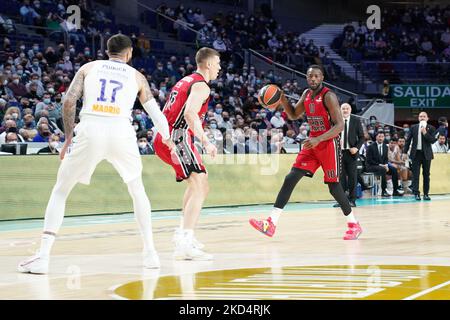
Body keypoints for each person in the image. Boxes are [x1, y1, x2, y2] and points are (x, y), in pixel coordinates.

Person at [18, 34, 174, 274]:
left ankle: (43, 257)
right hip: (122, 131)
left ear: (107, 51)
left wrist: (69, 137)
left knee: (61, 189)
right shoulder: (137, 76)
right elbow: (155, 113)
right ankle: (151, 253)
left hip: (91, 128)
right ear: (129, 53)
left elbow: (69, 101)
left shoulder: (89, 67)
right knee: (136, 188)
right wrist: (167, 138)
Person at [249, 65, 362, 241]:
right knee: (290, 178)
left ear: (322, 77)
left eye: (316, 76)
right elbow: (294, 115)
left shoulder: (329, 96)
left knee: (333, 187)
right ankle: (271, 223)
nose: (313, 79)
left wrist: (319, 139)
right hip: (312, 142)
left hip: (328, 143)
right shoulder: (306, 95)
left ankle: (353, 224)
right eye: (310, 77)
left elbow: (339, 126)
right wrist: (283, 100)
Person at [153, 47, 220, 260]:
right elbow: (190, 114)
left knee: (200, 182)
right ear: (208, 64)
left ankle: (183, 234)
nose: (219, 68)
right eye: (217, 63)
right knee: (200, 184)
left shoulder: (186, 80)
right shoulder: (201, 85)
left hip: (168, 135)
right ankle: (185, 242)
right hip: (176, 137)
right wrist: (206, 141)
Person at [333, 103, 364, 208]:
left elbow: (362, 137)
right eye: (343, 109)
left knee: (352, 177)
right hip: (339, 152)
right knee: (340, 178)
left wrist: (356, 148)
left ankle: (352, 200)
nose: (345, 110)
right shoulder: (336, 120)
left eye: (347, 108)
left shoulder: (356, 120)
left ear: (350, 110)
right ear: (340, 110)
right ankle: (342, 201)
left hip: (351, 153)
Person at [404, 112, 436, 201]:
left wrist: (425, 133)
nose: (422, 118)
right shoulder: (413, 127)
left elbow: (432, 140)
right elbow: (408, 140)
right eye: (420, 116)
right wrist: (404, 152)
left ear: (427, 118)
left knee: (426, 175)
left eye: (424, 116)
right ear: (418, 118)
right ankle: (416, 193)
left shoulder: (432, 128)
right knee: (415, 175)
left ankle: (426, 194)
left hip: (427, 154)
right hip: (416, 154)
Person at [366, 132, 404, 197]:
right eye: (379, 136)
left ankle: (395, 190)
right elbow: (369, 160)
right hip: (371, 166)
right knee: (383, 169)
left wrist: (386, 164)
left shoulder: (385, 147)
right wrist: (381, 165)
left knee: (394, 169)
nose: (381, 138)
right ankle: (384, 191)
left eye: (382, 137)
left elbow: (386, 159)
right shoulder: (370, 147)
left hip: (382, 165)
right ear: (376, 137)